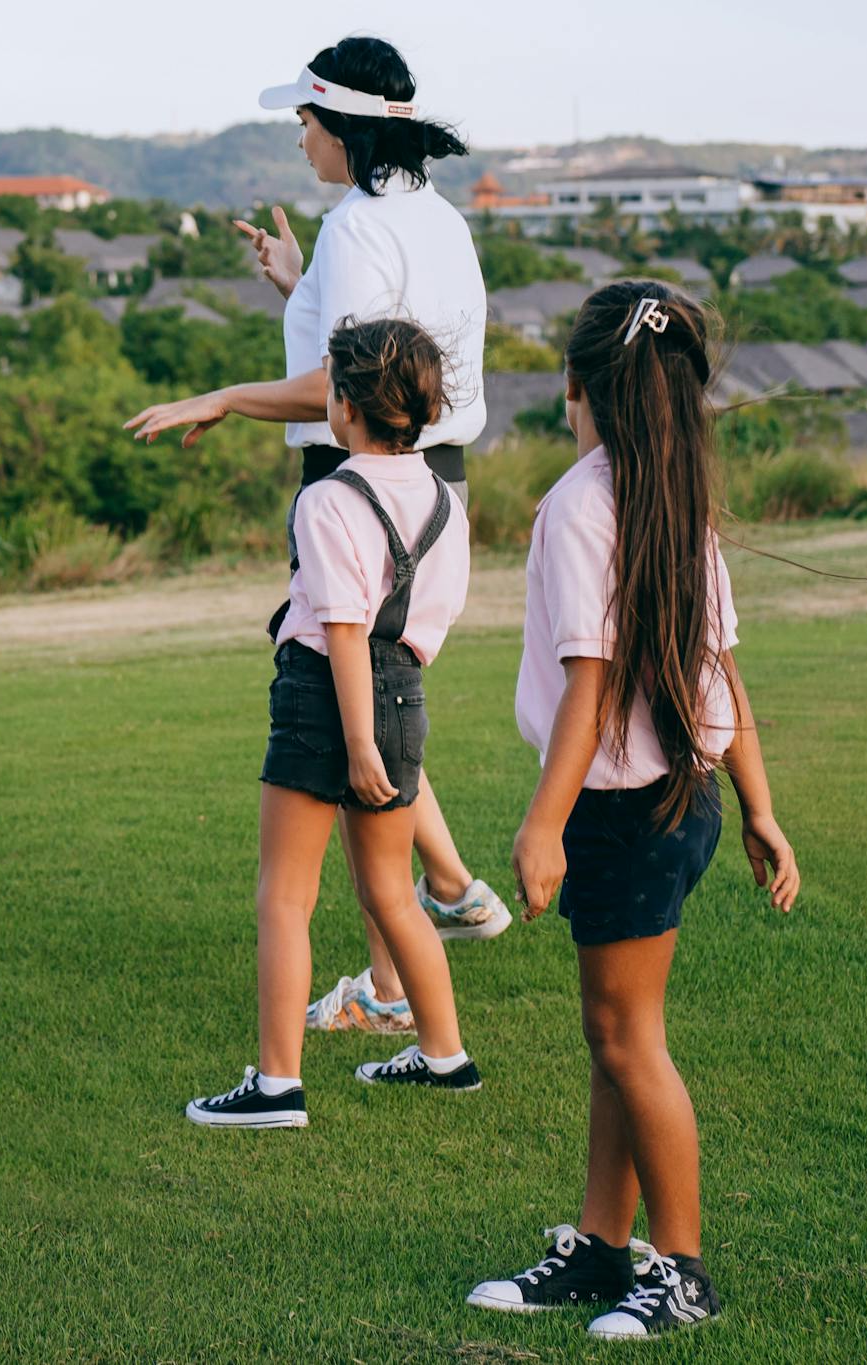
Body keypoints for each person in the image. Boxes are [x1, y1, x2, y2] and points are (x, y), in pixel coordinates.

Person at [125, 35, 510, 1037]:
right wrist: (294, 282)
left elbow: (347, 387)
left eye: (302, 120)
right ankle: (440, 905)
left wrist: (216, 396)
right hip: (436, 489)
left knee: (353, 718)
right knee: (384, 703)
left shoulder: (355, 232)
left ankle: (410, 964)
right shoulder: (433, 223)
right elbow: (381, 355)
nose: (297, 138)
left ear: (338, 124)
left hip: (356, 486)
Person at [466, 283, 801, 1340]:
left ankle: (683, 1269)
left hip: (621, 810)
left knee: (626, 1038)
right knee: (612, 1035)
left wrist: (538, 822)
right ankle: (603, 1248)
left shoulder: (581, 503)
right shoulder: (671, 497)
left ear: (575, 388)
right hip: (684, 802)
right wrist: (759, 808)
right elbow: (724, 672)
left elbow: (592, 679)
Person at [184, 318, 483, 1129]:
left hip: (326, 696)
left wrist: (354, 740)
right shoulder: (447, 504)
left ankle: (277, 1084)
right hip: (403, 690)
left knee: (285, 895)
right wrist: (387, 715)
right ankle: (445, 1054)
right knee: (392, 893)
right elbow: (431, 615)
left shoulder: (327, 498)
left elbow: (343, 625)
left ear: (345, 408)